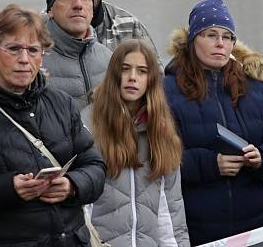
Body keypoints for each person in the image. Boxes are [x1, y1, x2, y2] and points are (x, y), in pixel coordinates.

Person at [0, 4, 106, 247]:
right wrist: (7, 189)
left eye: (33, 50)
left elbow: (95, 165)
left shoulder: (62, 104)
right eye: (13, 49)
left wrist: (72, 185)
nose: (24, 59)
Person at [163, 0, 263, 246]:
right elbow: (159, 158)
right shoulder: (166, 90)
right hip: (196, 228)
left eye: (227, 36)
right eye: (210, 35)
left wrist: (262, 157)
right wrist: (211, 165)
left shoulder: (256, 88)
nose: (220, 43)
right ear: (192, 40)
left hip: (255, 227)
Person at [81, 40, 189, 247]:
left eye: (141, 71)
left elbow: (171, 214)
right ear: (114, 74)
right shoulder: (87, 125)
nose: (132, 77)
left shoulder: (162, 132)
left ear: (151, 80)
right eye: (125, 69)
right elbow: (81, 209)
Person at [42, 0, 112, 110]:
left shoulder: (109, 60)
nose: (78, 5)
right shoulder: (34, 61)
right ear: (50, 10)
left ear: (92, 9)